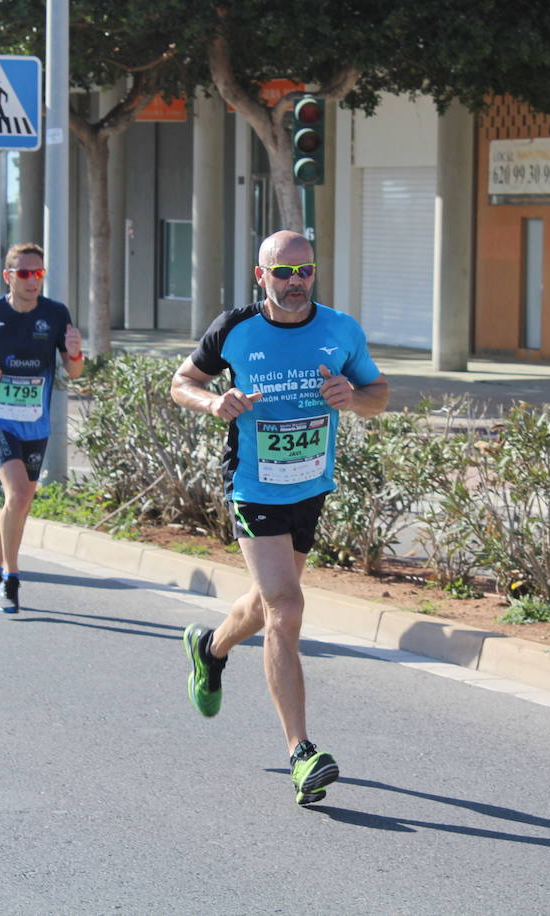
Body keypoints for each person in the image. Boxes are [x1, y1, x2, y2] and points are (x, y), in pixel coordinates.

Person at [170, 229, 390, 806]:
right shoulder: (235, 329)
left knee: (266, 602)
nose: (296, 282)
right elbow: (183, 383)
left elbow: (379, 392)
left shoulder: (340, 330)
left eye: (306, 271)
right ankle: (301, 753)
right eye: (284, 272)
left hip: (310, 484)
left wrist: (354, 398)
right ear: (260, 275)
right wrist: (215, 401)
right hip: (253, 484)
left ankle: (211, 648)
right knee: (286, 608)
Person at [0, 242, 83, 614]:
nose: (32, 281)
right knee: (18, 493)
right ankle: (10, 579)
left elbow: (74, 372)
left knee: (21, 500)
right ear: (8, 277)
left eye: (38, 273)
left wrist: (75, 353)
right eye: (24, 274)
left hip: (35, 422)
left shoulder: (55, 314)